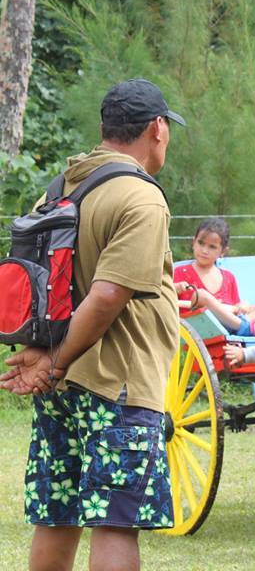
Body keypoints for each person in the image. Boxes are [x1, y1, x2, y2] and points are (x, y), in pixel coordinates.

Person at [1, 78, 184, 569]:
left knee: (56, 517)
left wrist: (47, 361)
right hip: (117, 385)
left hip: (60, 388)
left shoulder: (57, 190)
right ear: (157, 129)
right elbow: (107, 295)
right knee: (116, 521)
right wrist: (56, 364)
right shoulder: (140, 197)